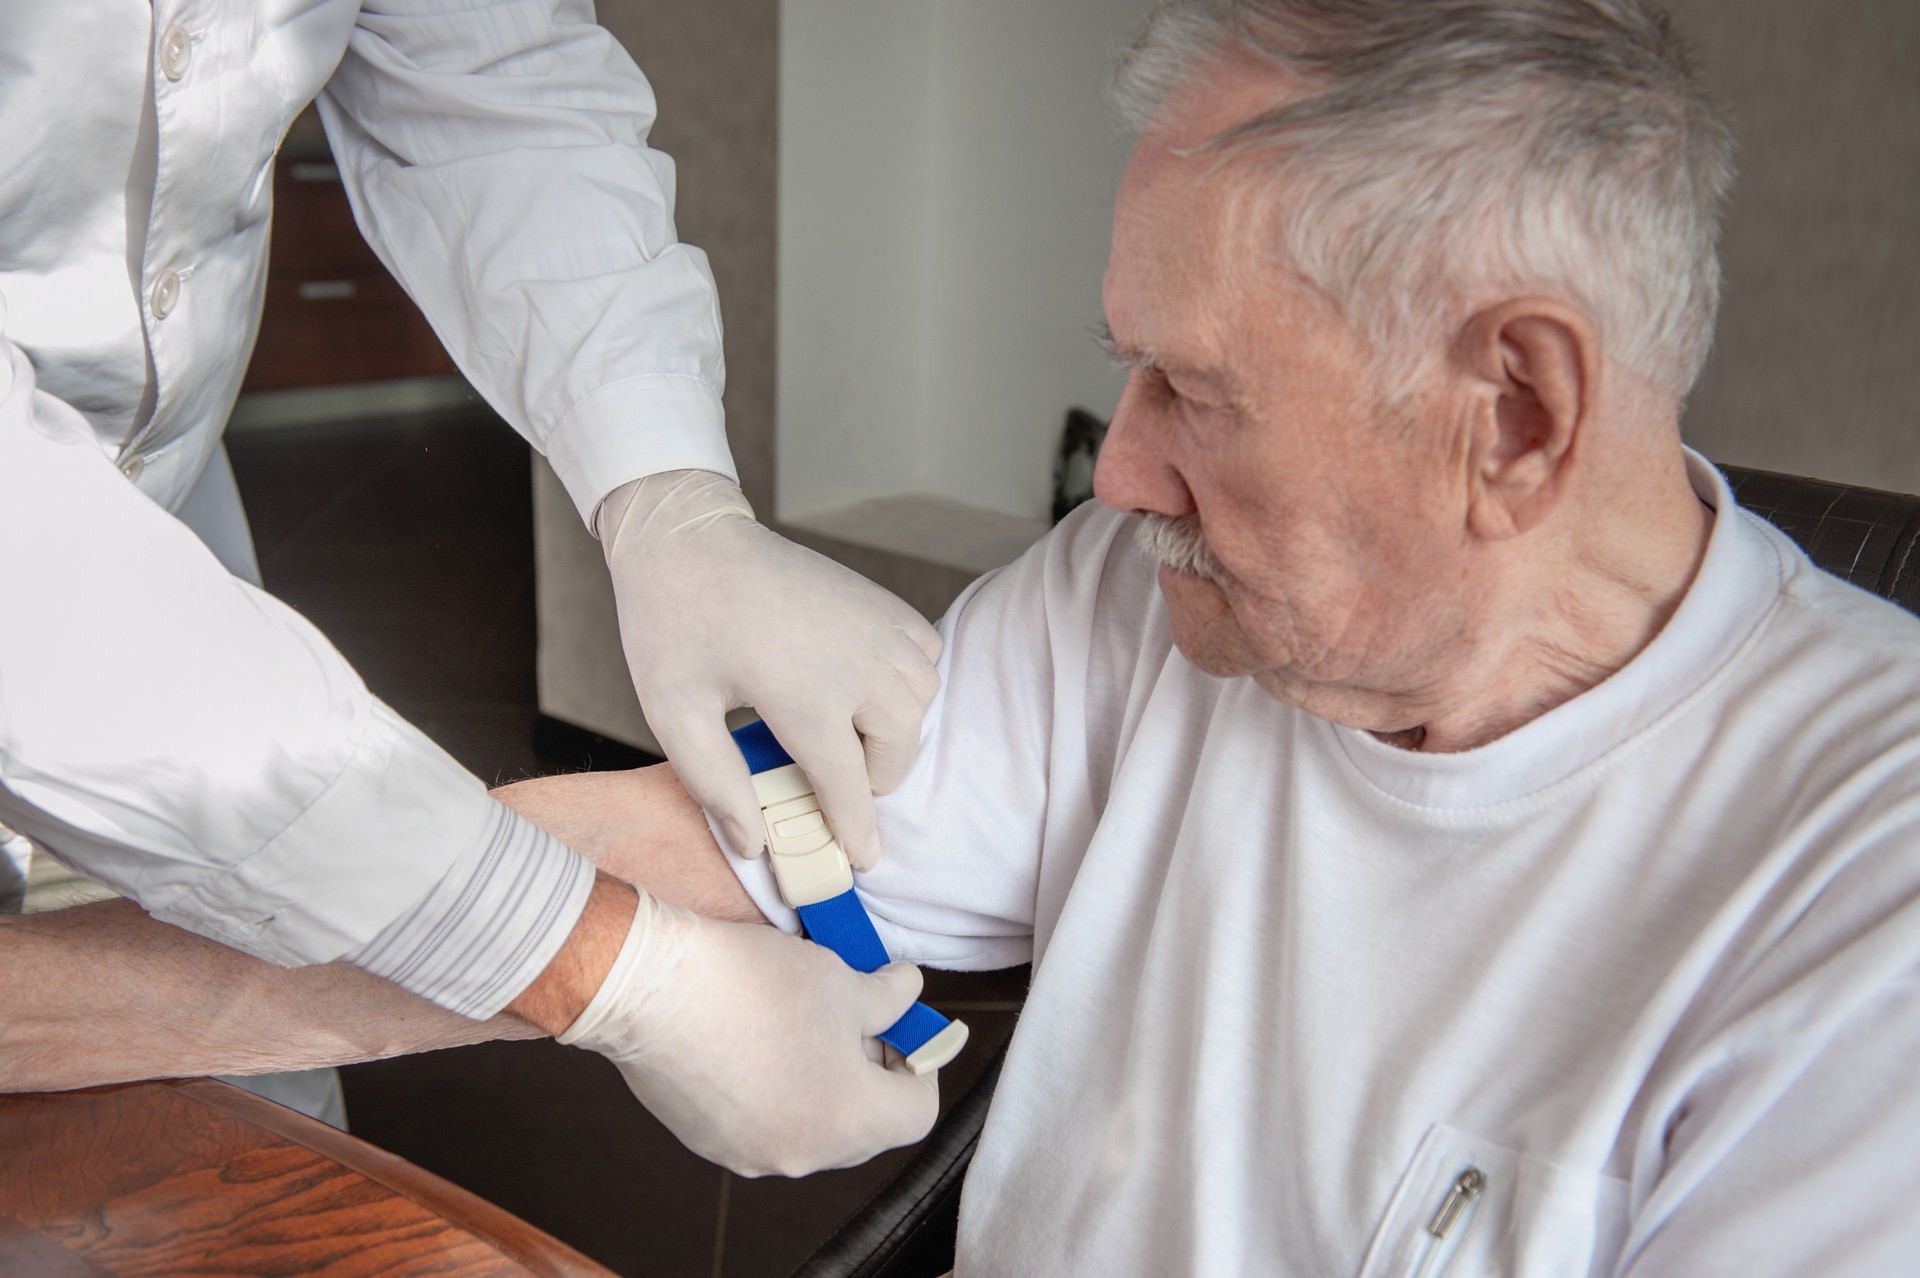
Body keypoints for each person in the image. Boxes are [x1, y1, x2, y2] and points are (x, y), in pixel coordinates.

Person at [0, 0, 944, 1172]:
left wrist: (671, 496)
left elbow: (494, 81)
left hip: (156, 507)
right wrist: (611, 966)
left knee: (254, 1147)